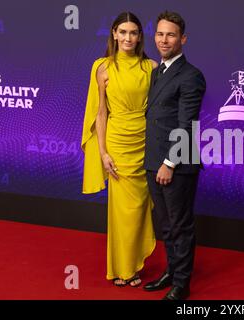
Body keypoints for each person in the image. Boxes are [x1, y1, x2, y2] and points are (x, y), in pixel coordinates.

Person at [81, 12, 158, 287]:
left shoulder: (151, 66)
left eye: (133, 32)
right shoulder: (101, 67)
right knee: (120, 211)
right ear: (114, 34)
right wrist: (103, 153)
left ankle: (133, 262)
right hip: (117, 143)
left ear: (139, 36)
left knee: (139, 209)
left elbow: (158, 111)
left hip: (145, 142)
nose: (128, 38)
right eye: (122, 32)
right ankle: (123, 268)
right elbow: (100, 114)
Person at [142, 11, 206, 300]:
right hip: (154, 161)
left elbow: (186, 126)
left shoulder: (191, 76)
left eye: (170, 34)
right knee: (165, 225)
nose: (163, 40)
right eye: (159, 34)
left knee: (180, 225)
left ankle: (182, 284)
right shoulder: (157, 71)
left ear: (183, 39)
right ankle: (171, 271)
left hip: (176, 164)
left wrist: (169, 163)